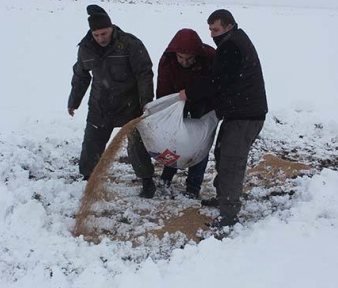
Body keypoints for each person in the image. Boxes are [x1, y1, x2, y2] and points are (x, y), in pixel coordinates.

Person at [178, 10, 268, 228]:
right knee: (221, 153)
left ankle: (229, 214)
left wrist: (188, 93)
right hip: (238, 111)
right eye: (209, 29)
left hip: (246, 115)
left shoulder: (231, 46)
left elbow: (216, 80)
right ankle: (223, 197)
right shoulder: (234, 39)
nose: (211, 35)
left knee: (231, 162)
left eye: (215, 29)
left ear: (229, 26)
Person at [67, 4, 156, 198]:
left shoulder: (130, 44)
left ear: (111, 28)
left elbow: (144, 74)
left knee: (136, 144)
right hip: (100, 103)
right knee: (92, 142)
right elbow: (81, 75)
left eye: (104, 34)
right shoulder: (86, 48)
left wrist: (146, 102)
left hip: (129, 104)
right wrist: (74, 101)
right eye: (96, 34)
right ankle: (88, 178)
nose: (100, 39)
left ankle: (147, 180)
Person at [156, 28, 216, 199]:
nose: (184, 62)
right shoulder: (167, 60)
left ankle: (193, 186)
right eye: (180, 58)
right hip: (177, 101)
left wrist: (212, 110)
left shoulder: (210, 57)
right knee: (174, 139)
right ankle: (166, 177)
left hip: (204, 101)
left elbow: (215, 83)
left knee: (200, 143)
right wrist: (164, 110)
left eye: (189, 59)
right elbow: (163, 88)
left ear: (197, 55)